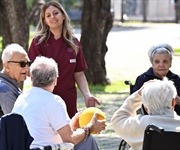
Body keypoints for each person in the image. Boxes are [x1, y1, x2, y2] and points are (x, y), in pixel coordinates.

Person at [12, 56, 106, 150]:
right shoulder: (54, 101)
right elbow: (70, 140)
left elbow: (43, 130)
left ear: (31, 77)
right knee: (87, 140)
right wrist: (89, 128)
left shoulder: (21, 99)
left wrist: (73, 124)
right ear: (55, 80)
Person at [28, 0, 100, 118]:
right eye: (48, 15)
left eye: (56, 13)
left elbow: (79, 74)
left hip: (68, 99)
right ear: (45, 21)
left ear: (63, 15)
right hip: (45, 100)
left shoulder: (74, 43)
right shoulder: (38, 43)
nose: (53, 17)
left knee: (69, 133)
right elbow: (32, 74)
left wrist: (87, 95)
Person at [111, 78, 180, 150]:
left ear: (145, 107)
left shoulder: (139, 124)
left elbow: (118, 118)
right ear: (173, 103)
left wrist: (138, 95)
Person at [132, 43, 180, 115]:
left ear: (170, 63)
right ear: (152, 63)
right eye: (157, 62)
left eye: (165, 61)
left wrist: (177, 100)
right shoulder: (143, 79)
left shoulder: (176, 79)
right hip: (149, 119)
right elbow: (134, 103)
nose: (161, 65)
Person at [0, 43, 30, 115]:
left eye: (28, 63)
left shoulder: (9, 84)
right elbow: (15, 119)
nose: (27, 68)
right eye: (22, 64)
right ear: (7, 66)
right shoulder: (3, 88)